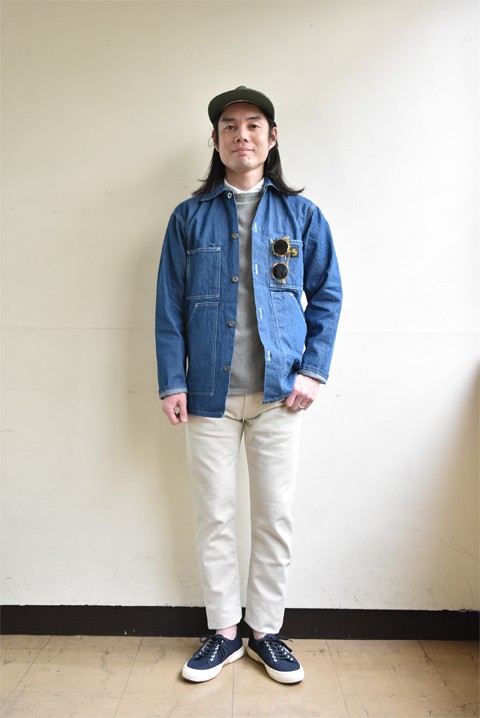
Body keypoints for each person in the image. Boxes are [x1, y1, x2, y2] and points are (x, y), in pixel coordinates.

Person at [155, 86, 342, 684]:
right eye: (230, 126)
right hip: (206, 396)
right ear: (215, 140)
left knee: (274, 518)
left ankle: (265, 631)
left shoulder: (302, 216)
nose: (242, 135)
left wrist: (312, 370)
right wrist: (171, 381)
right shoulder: (188, 217)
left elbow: (327, 297)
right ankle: (223, 633)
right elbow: (169, 307)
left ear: (272, 136)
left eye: (254, 124)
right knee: (214, 517)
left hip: (279, 395)